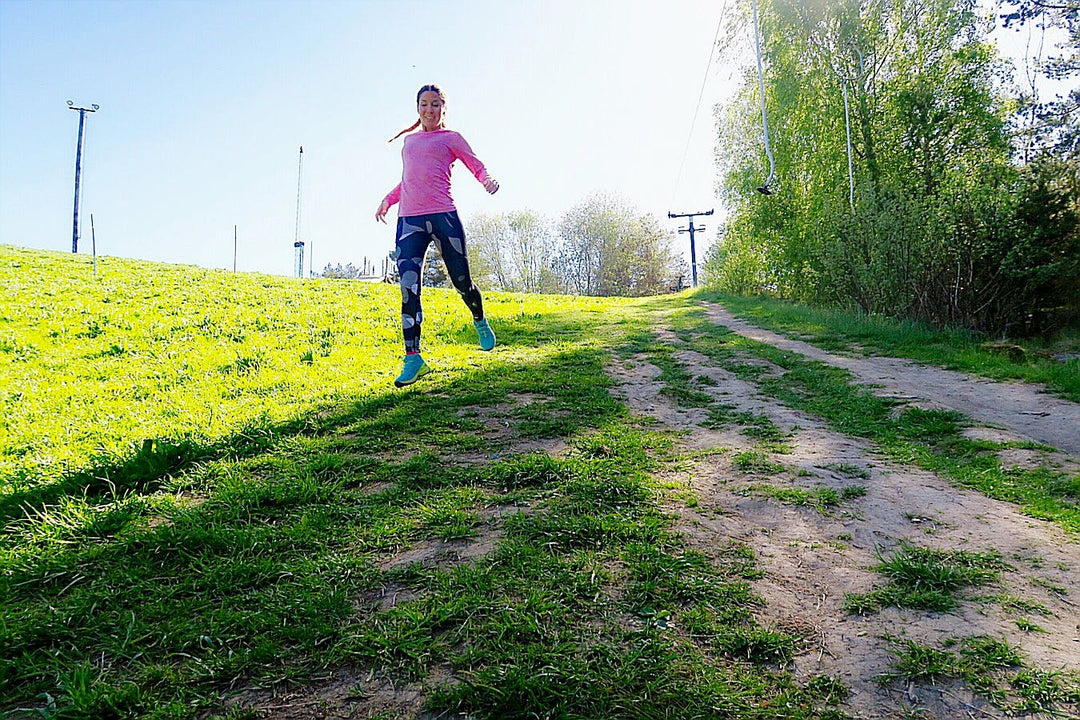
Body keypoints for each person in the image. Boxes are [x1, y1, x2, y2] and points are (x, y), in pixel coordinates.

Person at [376, 84, 500, 388]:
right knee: (408, 287)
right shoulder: (409, 143)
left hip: (444, 217)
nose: (429, 110)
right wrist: (388, 200)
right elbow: (409, 180)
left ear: (443, 108)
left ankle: (479, 318)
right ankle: (413, 358)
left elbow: (474, 163)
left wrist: (487, 180)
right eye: (423, 105)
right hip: (410, 221)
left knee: (461, 281)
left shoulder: (451, 139)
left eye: (435, 104)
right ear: (417, 108)